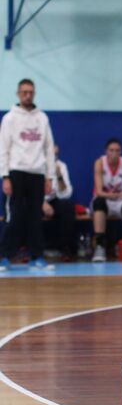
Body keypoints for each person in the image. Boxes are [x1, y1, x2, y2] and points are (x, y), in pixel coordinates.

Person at [0, 78, 56, 271]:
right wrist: (5, 176)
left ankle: (37, 256)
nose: (27, 95)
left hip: (37, 173)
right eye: (24, 92)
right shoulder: (9, 118)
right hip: (16, 172)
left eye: (30, 92)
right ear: (18, 94)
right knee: (14, 215)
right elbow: (3, 148)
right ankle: (4, 256)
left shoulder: (43, 118)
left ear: (34, 93)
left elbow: (49, 148)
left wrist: (50, 176)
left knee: (35, 216)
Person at [42, 144, 77, 261]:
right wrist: (42, 204)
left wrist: (59, 175)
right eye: (51, 155)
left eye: (56, 155)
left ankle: (65, 249)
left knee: (67, 206)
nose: (54, 158)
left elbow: (66, 194)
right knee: (26, 208)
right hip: (36, 201)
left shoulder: (61, 166)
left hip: (53, 199)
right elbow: (27, 191)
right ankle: (28, 249)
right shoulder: (36, 166)